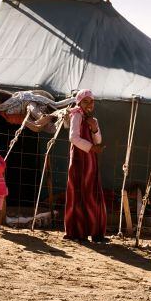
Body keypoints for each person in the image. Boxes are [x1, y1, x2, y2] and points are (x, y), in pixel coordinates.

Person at [64, 89, 107, 242]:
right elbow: (73, 138)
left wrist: (94, 127)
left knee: (92, 192)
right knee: (79, 191)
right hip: (79, 160)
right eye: (85, 101)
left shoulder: (92, 119)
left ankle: (96, 231)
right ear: (79, 102)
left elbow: (99, 141)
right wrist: (92, 148)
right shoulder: (76, 115)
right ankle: (77, 231)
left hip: (91, 161)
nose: (89, 104)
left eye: (91, 101)